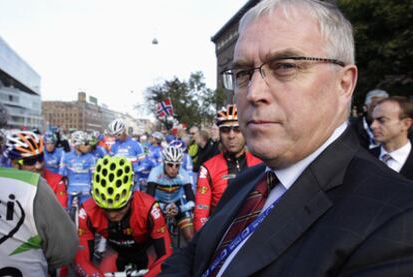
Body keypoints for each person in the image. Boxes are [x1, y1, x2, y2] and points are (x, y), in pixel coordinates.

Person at [160, 1, 413, 276]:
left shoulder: (397, 220)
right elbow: (192, 257)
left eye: (285, 66)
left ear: (344, 84)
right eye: (244, 73)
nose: (254, 92)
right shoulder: (246, 183)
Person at [74, 156, 172, 277]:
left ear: (131, 196)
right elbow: (81, 261)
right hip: (116, 251)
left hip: (146, 250)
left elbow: (166, 256)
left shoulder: (149, 207)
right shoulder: (87, 211)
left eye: (119, 208)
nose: (112, 215)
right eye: (105, 209)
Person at [0, 131, 78, 276]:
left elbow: (64, 244)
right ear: (13, 163)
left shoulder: (56, 180)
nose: (38, 165)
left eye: (40, 158)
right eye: (30, 161)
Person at [193, 104, 262, 232]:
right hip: (220, 235)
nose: (231, 135)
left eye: (237, 129)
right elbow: (200, 213)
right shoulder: (207, 168)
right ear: (219, 134)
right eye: (225, 130)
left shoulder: (261, 164)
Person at [146, 145, 195, 242]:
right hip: (158, 203)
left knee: (190, 237)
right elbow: (148, 200)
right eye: (170, 164)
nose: (173, 168)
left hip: (177, 203)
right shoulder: (155, 172)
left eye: (177, 165)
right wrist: (162, 207)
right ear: (164, 163)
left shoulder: (183, 174)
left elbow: (192, 201)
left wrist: (180, 208)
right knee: (150, 236)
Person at [370, 97, 413, 179]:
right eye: (373, 120)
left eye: (382, 120)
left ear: (406, 124)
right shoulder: (364, 158)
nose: (373, 126)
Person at [59, 130, 96, 209]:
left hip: (86, 193)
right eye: (85, 144)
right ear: (77, 145)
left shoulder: (91, 158)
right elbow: (61, 175)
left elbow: (94, 176)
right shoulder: (66, 156)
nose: (88, 146)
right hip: (70, 192)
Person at [108, 119, 146, 190]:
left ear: (124, 130)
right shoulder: (114, 146)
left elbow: (144, 164)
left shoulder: (136, 145)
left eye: (119, 134)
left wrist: (133, 170)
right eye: (114, 135)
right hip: (118, 181)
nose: (117, 137)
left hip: (133, 181)